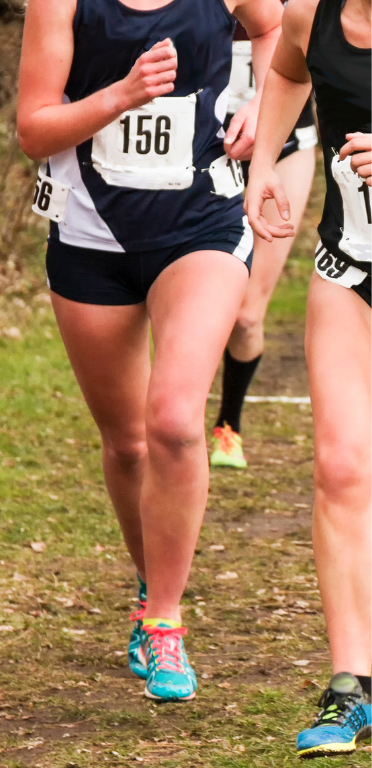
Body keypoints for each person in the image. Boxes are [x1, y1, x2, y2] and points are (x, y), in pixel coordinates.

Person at [17, 0, 283, 702]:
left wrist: (263, 103)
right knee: (127, 443)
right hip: (90, 240)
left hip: (203, 223)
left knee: (171, 418)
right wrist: (122, 94)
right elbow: (33, 127)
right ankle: (150, 583)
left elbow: (280, 29)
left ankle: (165, 621)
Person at [244, 0, 369, 755]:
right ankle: (351, 682)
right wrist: (264, 164)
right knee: (340, 466)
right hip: (348, 270)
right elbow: (287, 74)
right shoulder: (309, 17)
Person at [209, 7, 319, 469]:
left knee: (246, 314)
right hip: (203, 149)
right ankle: (168, 421)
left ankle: (228, 427)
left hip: (283, 145)